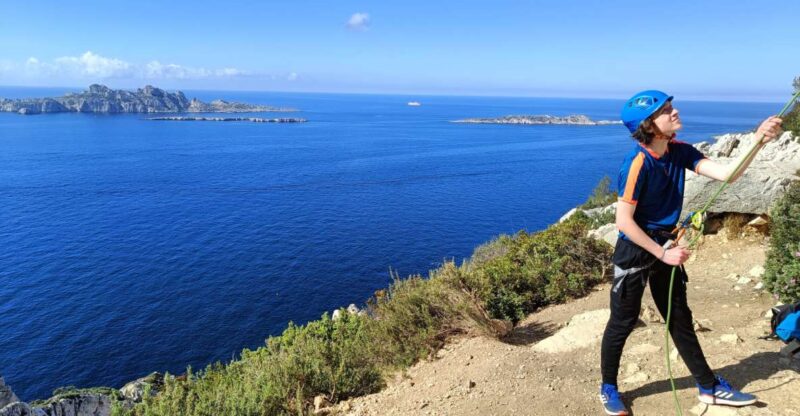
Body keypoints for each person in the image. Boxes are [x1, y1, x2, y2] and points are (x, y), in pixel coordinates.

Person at [598, 90, 784, 415]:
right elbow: (624, 222)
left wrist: (759, 141)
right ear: (648, 125)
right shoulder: (637, 164)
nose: (675, 112)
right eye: (666, 110)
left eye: (671, 107)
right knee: (624, 320)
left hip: (665, 245)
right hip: (637, 250)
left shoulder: (680, 151)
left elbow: (729, 175)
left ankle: (708, 387)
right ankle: (608, 387)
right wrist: (662, 252)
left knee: (679, 319)